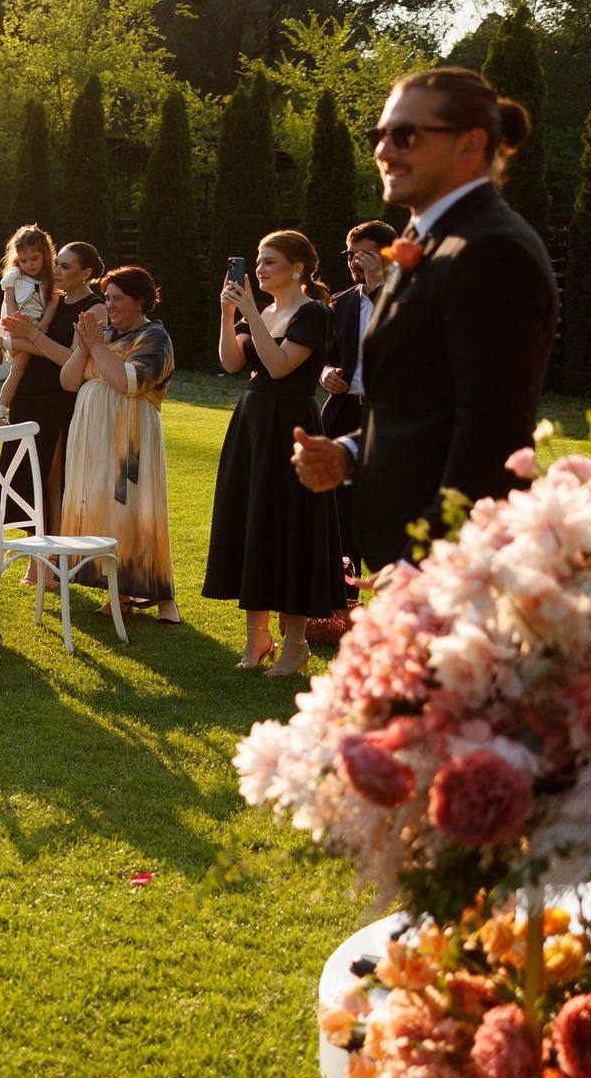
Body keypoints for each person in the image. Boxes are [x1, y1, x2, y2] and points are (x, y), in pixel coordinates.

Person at [292, 68, 558, 568]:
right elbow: (424, 401)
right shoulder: (434, 238)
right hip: (405, 555)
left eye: (405, 135)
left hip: (451, 569)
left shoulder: (491, 250)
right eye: (380, 135)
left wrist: (420, 566)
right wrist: (351, 451)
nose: (384, 151)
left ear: (469, 144)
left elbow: (491, 435)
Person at [206, 231, 352, 673]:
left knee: (289, 526)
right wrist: (230, 312)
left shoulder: (314, 313)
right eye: (258, 260)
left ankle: (296, 645)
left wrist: (249, 310)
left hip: (292, 424)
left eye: (270, 261)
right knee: (254, 522)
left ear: (297, 268)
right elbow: (232, 364)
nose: (260, 268)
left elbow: (279, 365)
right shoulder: (263, 310)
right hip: (252, 422)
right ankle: (257, 640)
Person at [56, 267, 177, 620]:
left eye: (118, 298)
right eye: (107, 297)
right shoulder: (103, 334)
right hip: (92, 436)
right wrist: (83, 347)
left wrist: (95, 346)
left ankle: (148, 593)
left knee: (130, 508)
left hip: (130, 433)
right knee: (101, 505)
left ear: (141, 300)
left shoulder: (155, 337)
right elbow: (67, 381)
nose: (109, 305)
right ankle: (117, 591)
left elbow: (128, 381)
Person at [0, 240, 104, 574]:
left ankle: (51, 560)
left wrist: (32, 338)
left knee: (53, 477)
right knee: (25, 475)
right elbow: (23, 344)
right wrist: (15, 340)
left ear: (87, 273)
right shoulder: (50, 299)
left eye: (66, 267)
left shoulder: (93, 309)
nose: (56, 271)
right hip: (28, 395)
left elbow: (74, 361)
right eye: (58, 264)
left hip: (60, 398)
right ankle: (39, 555)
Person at [318, 219, 393, 447]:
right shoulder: (340, 303)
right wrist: (326, 373)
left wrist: (378, 288)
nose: (354, 262)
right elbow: (327, 355)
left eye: (365, 256)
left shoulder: (413, 296)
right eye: (351, 255)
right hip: (344, 412)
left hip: (392, 413)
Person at [0, 224, 55, 393]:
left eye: (34, 259)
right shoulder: (15, 274)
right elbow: (9, 299)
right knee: (22, 367)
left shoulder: (49, 277)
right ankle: (4, 342)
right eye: (23, 260)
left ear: (45, 255)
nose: (29, 265)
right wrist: (14, 322)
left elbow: (53, 300)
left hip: (35, 325)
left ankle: (3, 344)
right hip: (18, 324)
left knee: (20, 367)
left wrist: (46, 320)